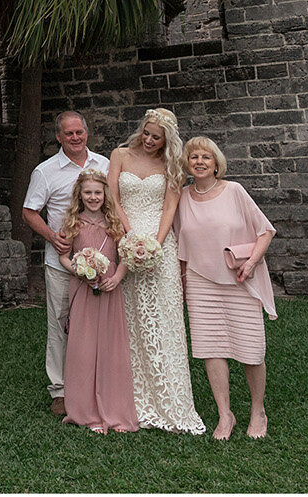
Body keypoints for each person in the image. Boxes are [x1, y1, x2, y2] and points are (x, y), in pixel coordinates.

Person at [105, 108, 205, 433]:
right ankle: (132, 401)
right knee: (132, 322)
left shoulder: (171, 164)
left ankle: (170, 401)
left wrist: (156, 246)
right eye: (146, 133)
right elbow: (112, 198)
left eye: (156, 137)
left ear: (166, 141)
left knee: (163, 320)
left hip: (160, 245)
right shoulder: (120, 155)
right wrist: (129, 237)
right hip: (126, 238)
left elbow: (170, 206)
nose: (149, 140)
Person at [175, 135, 277, 439]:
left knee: (251, 350)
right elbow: (179, 244)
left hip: (239, 279)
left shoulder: (234, 191)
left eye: (206, 157)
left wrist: (252, 262)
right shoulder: (181, 197)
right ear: (187, 163)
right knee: (211, 347)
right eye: (194, 157)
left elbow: (265, 231)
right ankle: (225, 414)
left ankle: (258, 411)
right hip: (199, 283)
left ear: (216, 163)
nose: (200, 162)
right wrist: (180, 283)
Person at [19, 110, 107, 416]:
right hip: (61, 262)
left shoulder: (104, 166)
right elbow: (29, 212)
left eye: (79, 132)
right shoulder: (45, 172)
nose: (75, 137)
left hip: (100, 262)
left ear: (86, 133)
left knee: (98, 324)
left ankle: (97, 385)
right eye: (68, 133)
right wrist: (52, 237)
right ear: (58, 137)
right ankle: (60, 390)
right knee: (60, 325)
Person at [60, 168, 136, 433]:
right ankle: (86, 411)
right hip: (83, 288)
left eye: (98, 193)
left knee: (110, 348)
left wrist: (117, 278)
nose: (93, 197)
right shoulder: (73, 223)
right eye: (88, 193)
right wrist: (79, 270)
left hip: (110, 288)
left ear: (105, 195)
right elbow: (64, 257)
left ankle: (114, 410)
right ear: (80, 195)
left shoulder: (114, 222)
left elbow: (126, 255)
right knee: (83, 347)